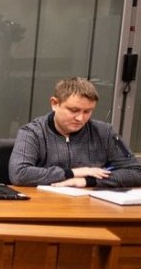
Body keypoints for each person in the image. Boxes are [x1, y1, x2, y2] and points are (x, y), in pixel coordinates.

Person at [9, 77, 141, 188]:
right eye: (73, 110)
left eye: (87, 111)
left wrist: (88, 181)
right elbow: (19, 174)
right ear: (55, 103)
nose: (80, 118)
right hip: (46, 203)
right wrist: (72, 173)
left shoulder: (105, 133)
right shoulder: (32, 132)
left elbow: (136, 172)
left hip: (90, 204)